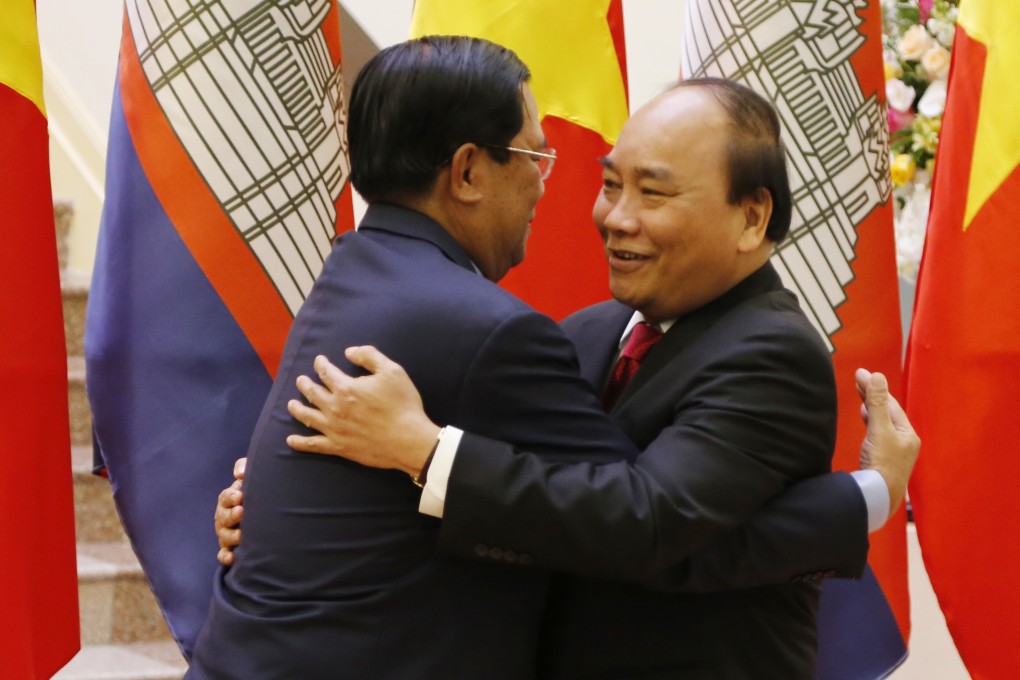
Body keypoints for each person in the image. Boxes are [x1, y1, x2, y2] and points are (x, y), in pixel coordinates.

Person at [212, 70, 919, 678]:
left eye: (654, 193)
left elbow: (649, 527)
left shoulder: (771, 352)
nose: (616, 218)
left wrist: (424, 451)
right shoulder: (583, 332)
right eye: (610, 184)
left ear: (751, 216)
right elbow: (553, 511)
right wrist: (287, 503)